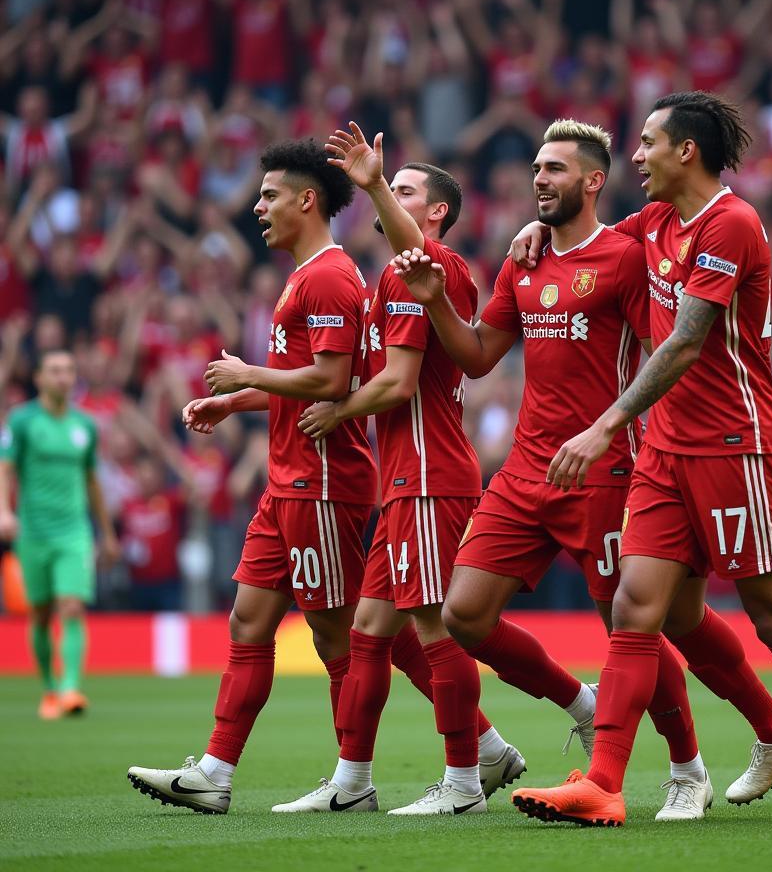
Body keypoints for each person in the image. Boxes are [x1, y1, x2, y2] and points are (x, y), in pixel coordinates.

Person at [392, 120, 772, 822]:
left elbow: (664, 349)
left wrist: (629, 436)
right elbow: (479, 354)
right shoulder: (522, 260)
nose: (539, 179)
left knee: (638, 625)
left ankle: (687, 769)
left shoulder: (627, 256)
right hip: (526, 469)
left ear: (591, 181)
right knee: (462, 615)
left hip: (606, 471)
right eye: (536, 168)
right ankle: (584, 703)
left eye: (555, 169)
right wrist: (435, 300)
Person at [508, 91, 772, 826]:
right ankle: (604, 784)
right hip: (667, 454)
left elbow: (684, 340)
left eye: (647, 143)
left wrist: (606, 425)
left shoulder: (732, 223)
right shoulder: (655, 222)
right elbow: (594, 237)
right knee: (634, 607)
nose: (635, 156)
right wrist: (538, 228)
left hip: (734, 447)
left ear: (687, 151)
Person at [274, 125, 523, 816]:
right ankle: (352, 781)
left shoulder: (426, 267)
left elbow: (398, 384)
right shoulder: (397, 274)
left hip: (429, 475)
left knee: (436, 627)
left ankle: (467, 781)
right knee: (369, 634)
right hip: (405, 479)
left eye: (408, 191)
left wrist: (339, 410)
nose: (389, 198)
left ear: (436, 210)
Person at [126, 138, 377, 815]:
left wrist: (245, 374)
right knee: (247, 620)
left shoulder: (328, 275)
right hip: (287, 479)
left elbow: (331, 378)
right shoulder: (302, 275)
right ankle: (214, 771)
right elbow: (307, 382)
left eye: (268, 196)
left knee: (337, 637)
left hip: (322, 482)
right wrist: (236, 400)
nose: (257, 207)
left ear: (306, 200)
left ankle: (357, 781)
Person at [0, 349, 121, 718]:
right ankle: (50, 690)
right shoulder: (21, 421)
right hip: (33, 532)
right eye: (54, 370)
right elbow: (6, 468)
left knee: (71, 605)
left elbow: (91, 481)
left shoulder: (84, 426)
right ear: (38, 378)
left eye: (68, 370)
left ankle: (69, 688)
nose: (62, 377)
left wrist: (107, 533)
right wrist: (4, 511)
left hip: (74, 532)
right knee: (39, 613)